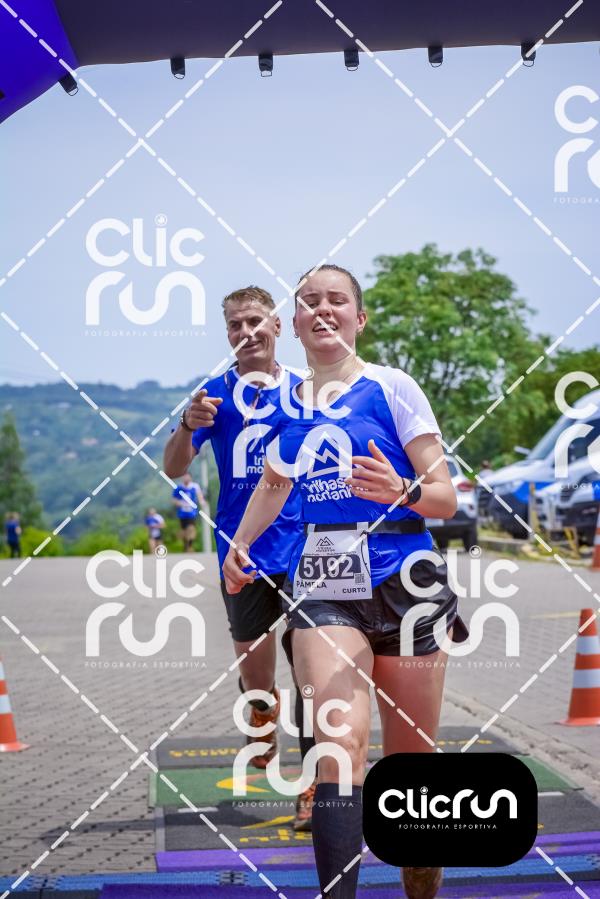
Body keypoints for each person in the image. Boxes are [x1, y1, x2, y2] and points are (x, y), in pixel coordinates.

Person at [223, 265, 468, 898]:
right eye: (310, 301)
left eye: (337, 300)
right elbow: (274, 484)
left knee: (411, 763)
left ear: (359, 319)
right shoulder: (286, 404)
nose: (323, 309)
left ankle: (421, 871)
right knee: (336, 745)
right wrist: (240, 545)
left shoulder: (393, 388)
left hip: (407, 585)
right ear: (295, 323)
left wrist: (404, 490)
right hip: (325, 587)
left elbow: (445, 498)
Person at [163, 286, 316, 831]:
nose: (246, 332)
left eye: (255, 321)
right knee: (257, 678)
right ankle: (260, 713)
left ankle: (312, 788)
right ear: (226, 333)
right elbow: (174, 468)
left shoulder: (306, 388)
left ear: (277, 326)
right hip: (240, 554)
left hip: (304, 548)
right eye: (235, 325)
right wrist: (187, 424)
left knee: (313, 676)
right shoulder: (214, 395)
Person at [171, 473, 203, 552]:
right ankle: (186, 546)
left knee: (191, 528)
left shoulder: (195, 486)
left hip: (192, 512)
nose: (186, 478)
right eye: (184, 477)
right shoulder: (178, 488)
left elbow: (200, 496)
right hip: (182, 513)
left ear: (190, 478)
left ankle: (190, 546)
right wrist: (180, 503)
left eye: (187, 477)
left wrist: (202, 502)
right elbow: (174, 500)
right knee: (184, 531)